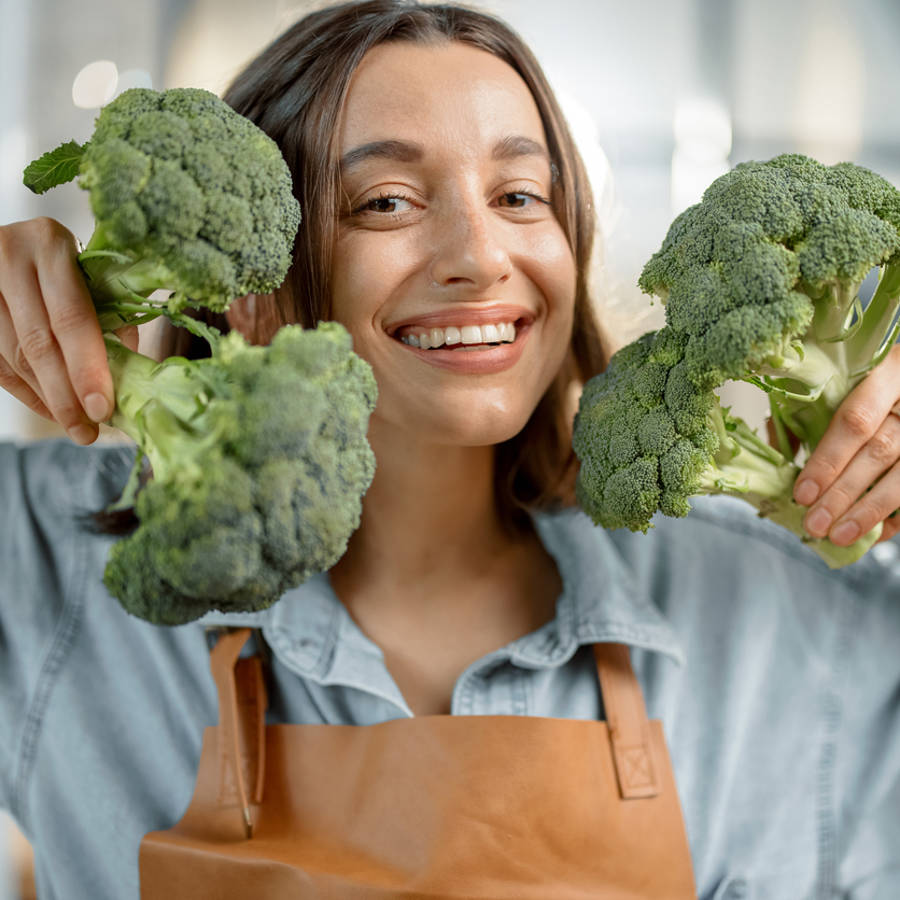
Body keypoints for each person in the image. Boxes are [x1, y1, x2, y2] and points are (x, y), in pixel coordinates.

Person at [1, 1, 899, 897]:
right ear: (252, 292)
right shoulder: (44, 570)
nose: (479, 256)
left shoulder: (784, 612)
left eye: (519, 196)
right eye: (385, 202)